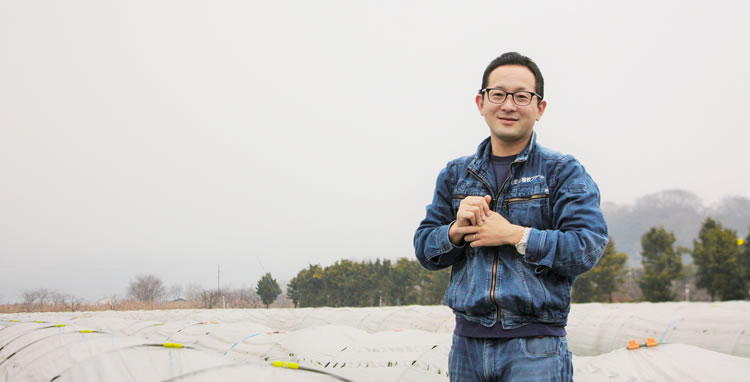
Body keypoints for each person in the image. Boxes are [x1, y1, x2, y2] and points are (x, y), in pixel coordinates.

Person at [414, 52, 608, 381]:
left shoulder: (562, 171)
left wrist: (516, 235)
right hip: (466, 348)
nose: (508, 105)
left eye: (521, 96)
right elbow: (425, 248)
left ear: (539, 108)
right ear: (481, 102)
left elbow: (587, 246)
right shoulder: (456, 174)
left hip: (536, 348)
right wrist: (455, 231)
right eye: (498, 94)